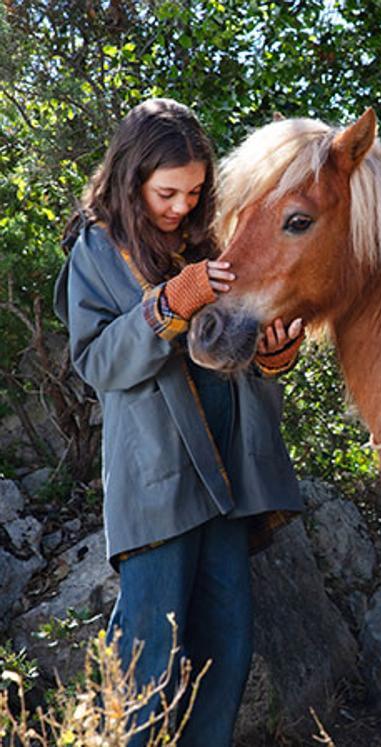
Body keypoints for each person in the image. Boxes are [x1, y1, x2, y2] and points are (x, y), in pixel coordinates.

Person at [54, 98, 304, 745]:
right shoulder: (97, 252)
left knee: (227, 648)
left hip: (227, 479)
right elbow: (98, 362)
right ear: (133, 177)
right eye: (168, 192)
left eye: (195, 192)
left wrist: (272, 353)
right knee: (147, 655)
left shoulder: (215, 239)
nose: (182, 207)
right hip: (158, 483)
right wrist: (168, 302)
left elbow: (238, 355)